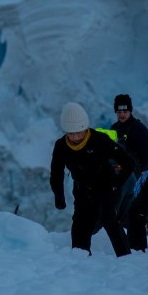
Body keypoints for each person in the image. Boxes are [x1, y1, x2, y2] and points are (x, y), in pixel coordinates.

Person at [50, 102, 137, 256]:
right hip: (82, 191)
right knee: (79, 227)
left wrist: (116, 185)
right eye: (71, 133)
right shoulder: (61, 146)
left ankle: (126, 259)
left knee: (109, 220)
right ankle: (82, 261)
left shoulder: (99, 140)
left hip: (105, 188)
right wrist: (59, 197)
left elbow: (128, 163)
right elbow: (56, 174)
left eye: (79, 132)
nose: (75, 137)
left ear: (85, 128)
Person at [109, 94, 148, 172]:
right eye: (119, 112)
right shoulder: (114, 128)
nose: (122, 115)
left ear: (130, 111)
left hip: (134, 174)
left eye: (125, 112)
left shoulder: (140, 129)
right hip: (118, 172)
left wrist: (139, 173)